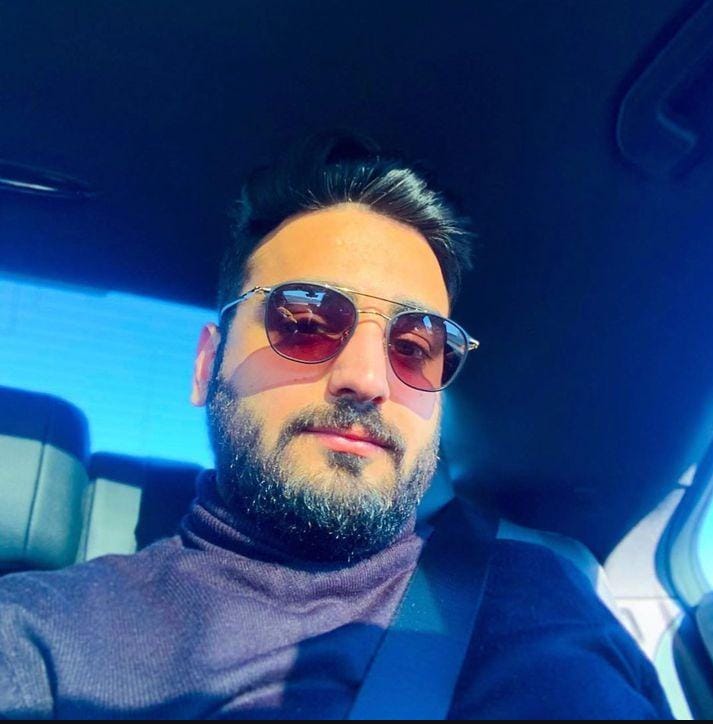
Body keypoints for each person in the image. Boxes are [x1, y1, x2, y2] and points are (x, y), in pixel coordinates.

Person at [0, 132, 672, 719]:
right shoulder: (42, 639)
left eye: (415, 345)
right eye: (305, 322)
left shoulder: (549, 587)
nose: (368, 378)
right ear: (207, 365)